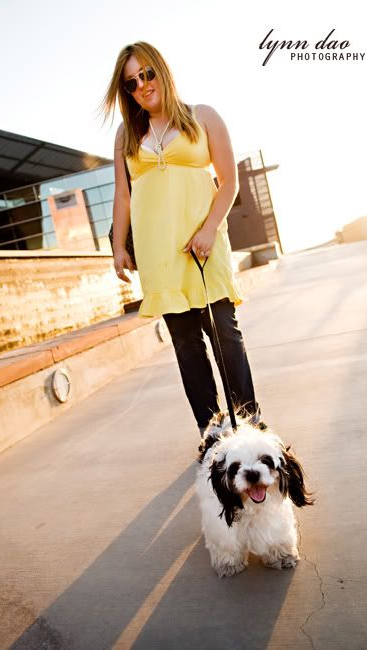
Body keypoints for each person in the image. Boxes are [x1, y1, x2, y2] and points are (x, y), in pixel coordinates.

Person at [102, 41, 262, 435]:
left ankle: (250, 422)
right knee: (187, 345)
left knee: (225, 332)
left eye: (147, 74)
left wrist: (209, 230)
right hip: (160, 256)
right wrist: (118, 246)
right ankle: (212, 432)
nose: (142, 85)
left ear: (162, 70)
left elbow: (229, 182)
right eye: (131, 82)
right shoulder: (126, 134)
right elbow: (123, 194)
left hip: (205, 247)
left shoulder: (203, 116)